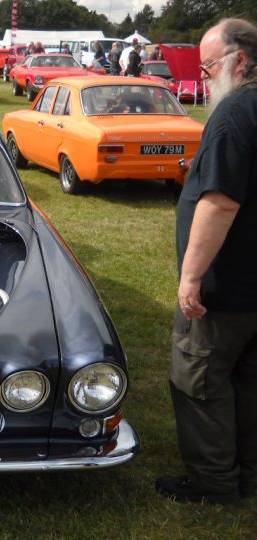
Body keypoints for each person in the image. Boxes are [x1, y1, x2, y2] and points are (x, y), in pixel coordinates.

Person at [155, 17, 257, 505]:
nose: (204, 75)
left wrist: (191, 275)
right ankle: (248, 474)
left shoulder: (236, 112)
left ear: (240, 60)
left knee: (200, 378)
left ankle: (214, 484)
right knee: (250, 382)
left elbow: (220, 201)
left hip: (226, 284)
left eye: (209, 64)